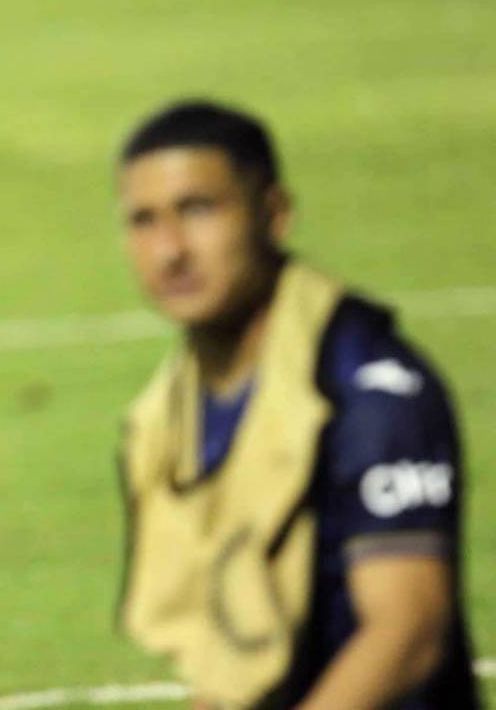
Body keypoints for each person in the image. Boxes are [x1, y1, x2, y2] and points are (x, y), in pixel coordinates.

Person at [115, 101, 478, 709]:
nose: (170, 248)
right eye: (144, 220)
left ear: (274, 212)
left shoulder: (368, 391)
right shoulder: (171, 410)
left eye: (198, 209)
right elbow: (232, 656)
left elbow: (408, 629)